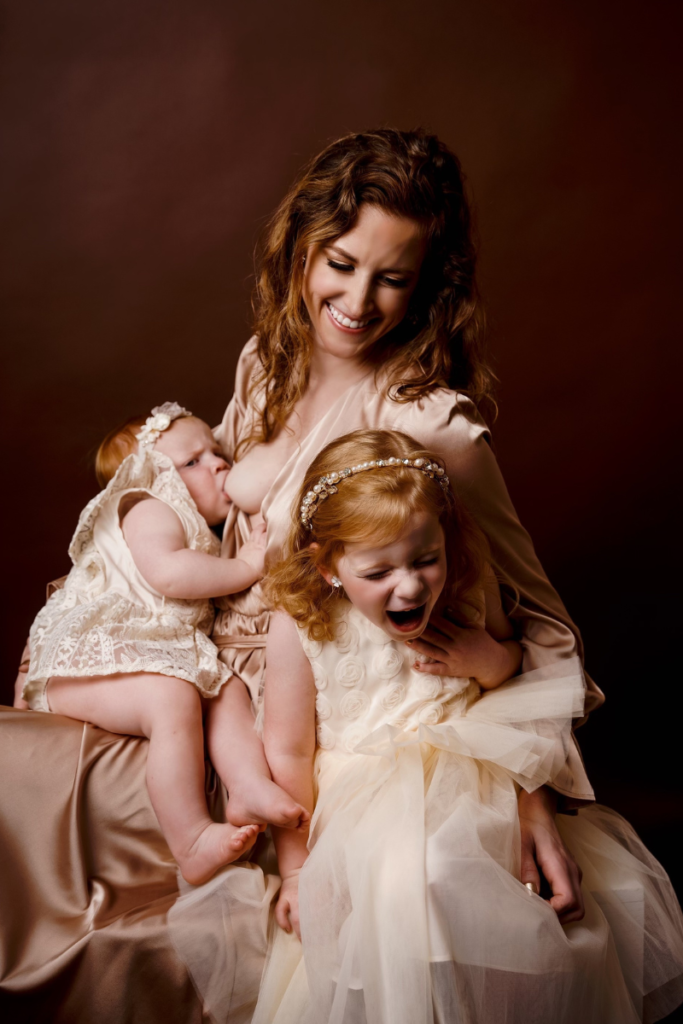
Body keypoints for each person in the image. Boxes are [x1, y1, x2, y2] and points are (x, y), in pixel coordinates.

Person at [213, 127, 600, 921]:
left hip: (323, 739)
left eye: (391, 279)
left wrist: (529, 795)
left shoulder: (434, 431)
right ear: (301, 249)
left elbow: (544, 628)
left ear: (425, 286)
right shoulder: (266, 363)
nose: (357, 305)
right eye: (341, 264)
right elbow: (211, 511)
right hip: (216, 690)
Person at [257, 429, 683, 1024]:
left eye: (425, 559)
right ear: (326, 564)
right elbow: (288, 749)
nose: (409, 586)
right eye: (378, 572)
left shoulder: (466, 588)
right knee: (406, 885)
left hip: (476, 778)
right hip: (364, 802)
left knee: (493, 898)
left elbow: (515, 679)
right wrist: (297, 867)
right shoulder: (302, 626)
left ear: (445, 542)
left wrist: (483, 658)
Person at [18, 402, 308, 886]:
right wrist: (248, 566)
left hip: (145, 656)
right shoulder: (147, 505)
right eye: (192, 461)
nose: (219, 463)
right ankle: (190, 839)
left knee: (226, 687)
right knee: (171, 695)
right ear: (150, 475)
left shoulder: (193, 526)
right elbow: (169, 573)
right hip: (77, 668)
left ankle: (248, 785)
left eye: (216, 452)